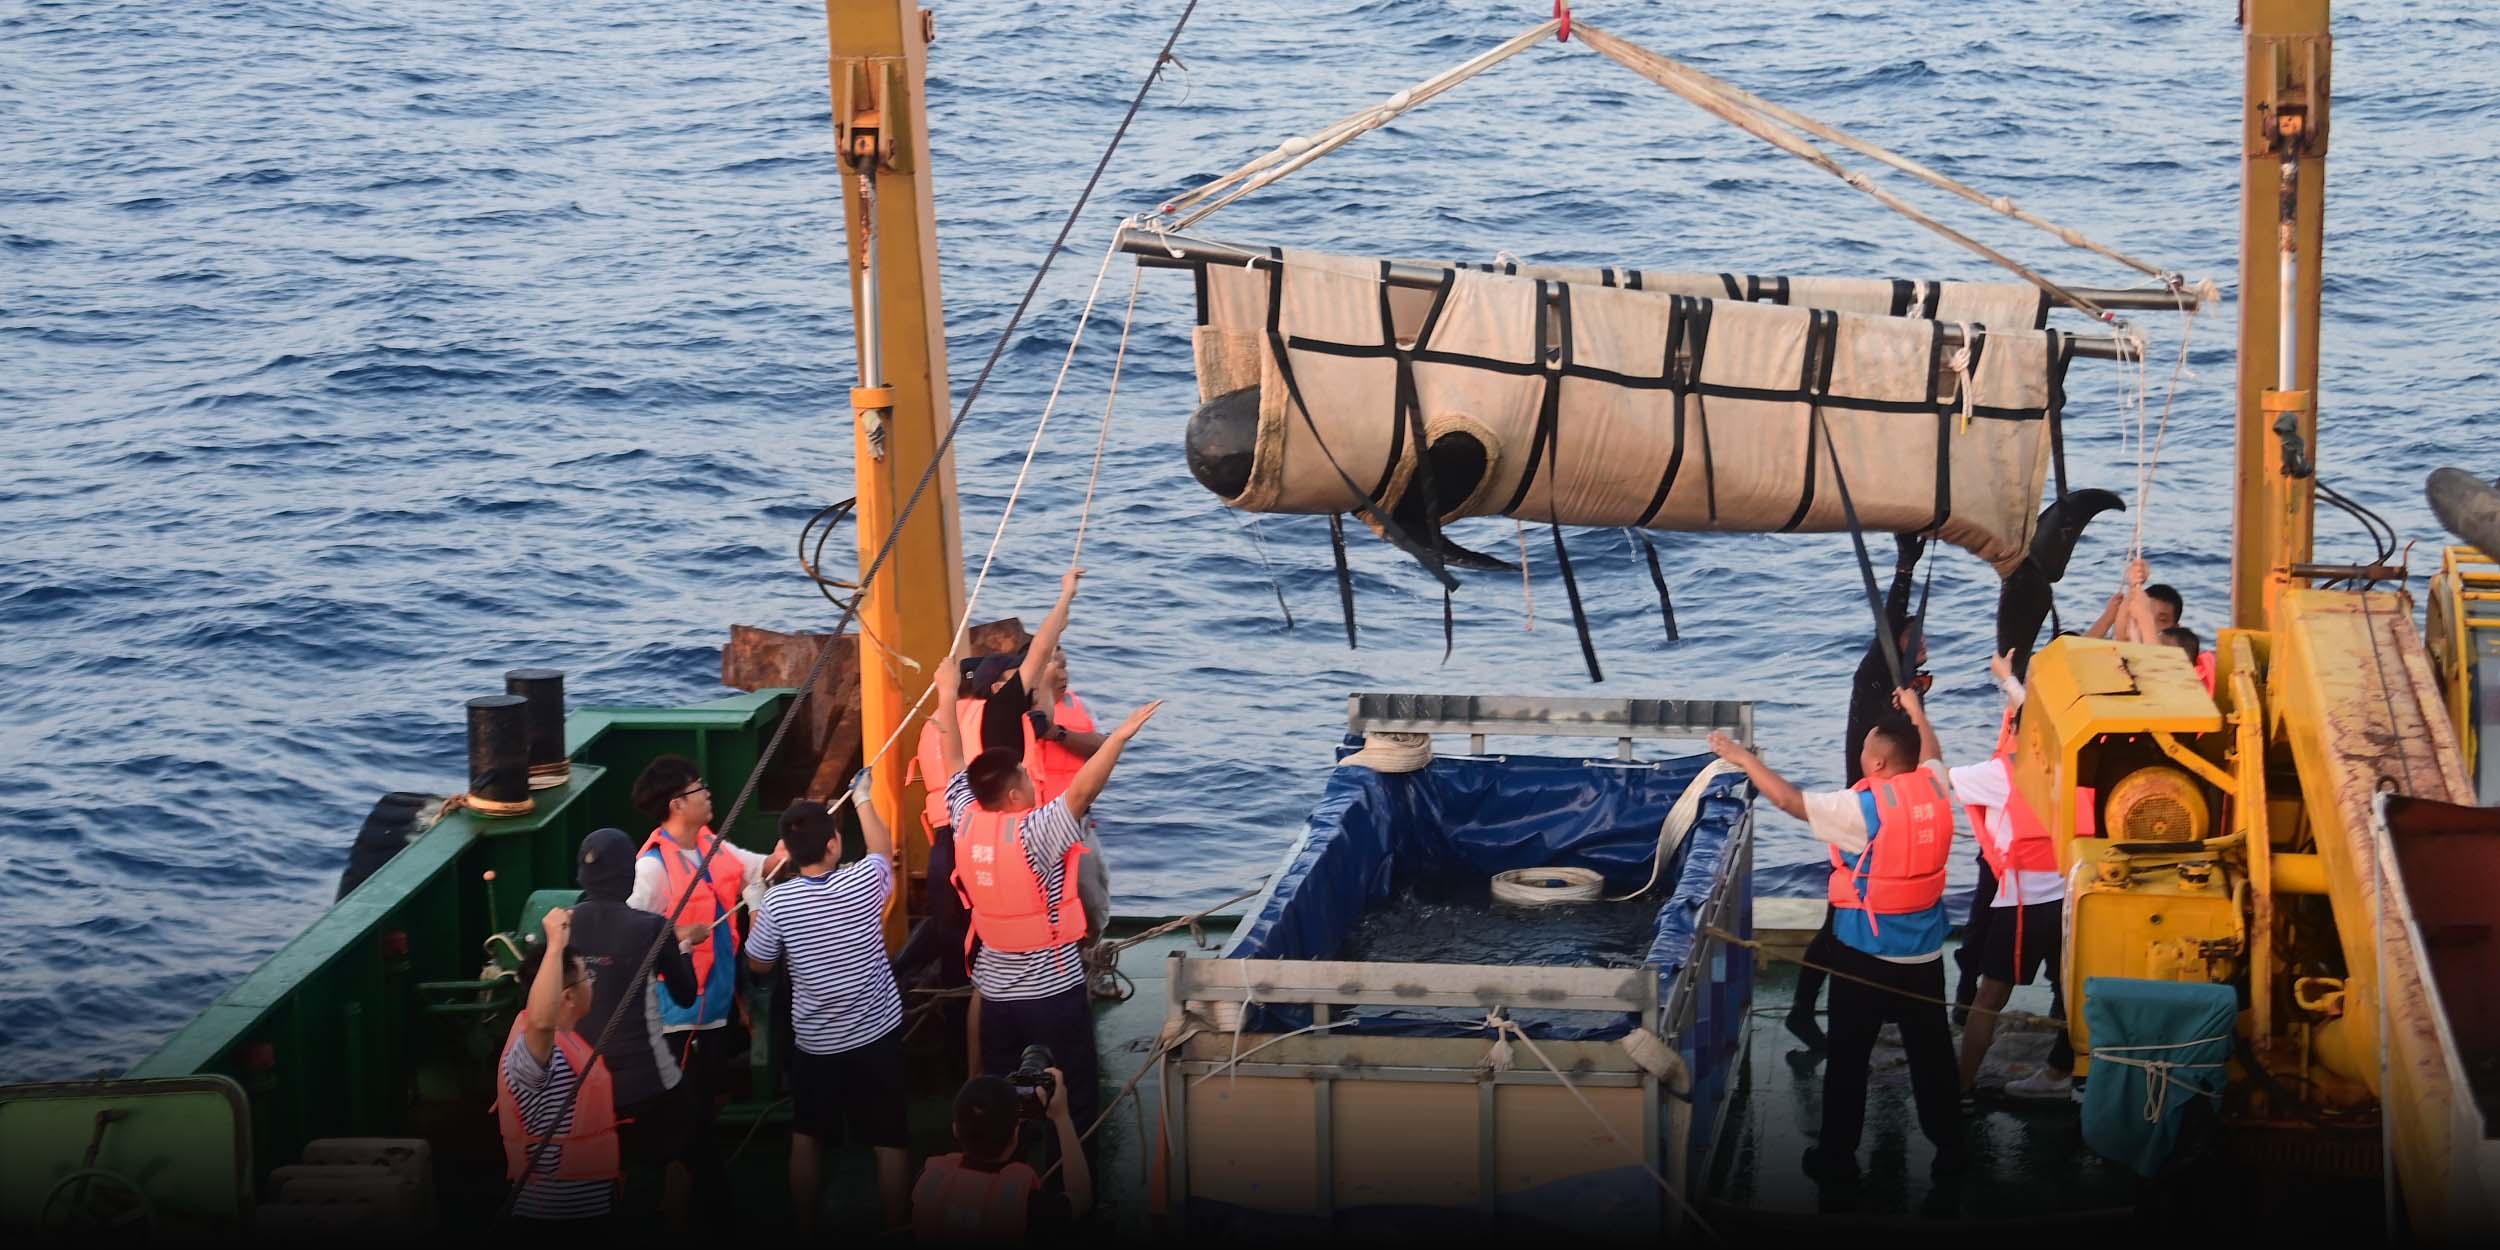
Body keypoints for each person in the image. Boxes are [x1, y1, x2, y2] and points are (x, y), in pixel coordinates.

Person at [1709, 686, 1966, 1182]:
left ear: (1878, 765)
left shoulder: (1859, 810)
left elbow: (1788, 800)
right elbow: (1932, 751)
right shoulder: (1934, 786)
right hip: (1925, 957)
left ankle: (1836, 1157)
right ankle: (1951, 1149)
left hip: (1864, 957)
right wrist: (1917, 711)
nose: (1861, 757)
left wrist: (1740, 756)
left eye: (1867, 751)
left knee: (1848, 1059)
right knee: (1932, 1058)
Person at [935, 583, 1164, 1141]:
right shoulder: (1038, 830)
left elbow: (953, 757)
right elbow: (1082, 793)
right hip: (1052, 991)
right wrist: (1121, 737)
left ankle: (997, 1157)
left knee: (999, 1092)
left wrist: (944, 693)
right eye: (1023, 780)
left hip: (998, 991)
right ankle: (1069, 1176)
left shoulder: (963, 814)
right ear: (1015, 793)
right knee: (1075, 1093)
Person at [746, 777, 910, 1234]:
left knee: (808, 1136)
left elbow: (759, 963)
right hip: (877, 1036)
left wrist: (755, 903)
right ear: (834, 845)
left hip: (818, 1046)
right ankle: (898, 1227)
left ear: (788, 851)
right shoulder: (863, 881)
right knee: (890, 1139)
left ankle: (805, 1226)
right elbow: (882, 850)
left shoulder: (779, 903)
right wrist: (862, 797)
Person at [627, 755, 787, 1212]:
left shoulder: (710, 845)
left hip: (715, 1008)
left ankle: (693, 1201)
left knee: (704, 1109)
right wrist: (676, 935)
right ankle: (701, 1205)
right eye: (700, 788)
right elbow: (636, 930)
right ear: (678, 803)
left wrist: (785, 852)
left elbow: (760, 867)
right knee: (686, 1121)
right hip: (681, 1018)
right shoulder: (653, 869)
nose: (708, 792)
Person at [1791, 536, 1928, 1052]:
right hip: (1864, 822)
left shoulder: (1900, 690)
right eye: (1918, 637)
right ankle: (1803, 1011)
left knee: (1851, 924)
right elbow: (1887, 627)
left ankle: (1829, 1008)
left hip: (1885, 821)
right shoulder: (1875, 675)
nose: (1926, 644)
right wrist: (1905, 569)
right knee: (1837, 927)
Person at [1952, 652, 2076, 1104]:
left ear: (2019, 734)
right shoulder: (2073, 762)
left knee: (1990, 997)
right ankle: (2064, 1074)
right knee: (2074, 994)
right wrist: (2009, 681)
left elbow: (1937, 776)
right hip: (2073, 899)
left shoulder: (2001, 774)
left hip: (2022, 905)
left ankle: (1962, 1085)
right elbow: (2032, 715)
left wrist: (1915, 718)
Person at [565, 827, 700, 1226]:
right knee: (688, 1147)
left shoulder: (562, 928)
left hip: (580, 1081)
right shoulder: (650, 928)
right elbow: (687, 994)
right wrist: (687, 948)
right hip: (647, 1081)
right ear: (628, 875)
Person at [496, 907, 620, 1225]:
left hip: (588, 1209)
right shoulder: (531, 1054)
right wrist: (555, 946)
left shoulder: (572, 1043)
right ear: (566, 996)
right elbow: (540, 1021)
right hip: (552, 1218)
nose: (592, 983)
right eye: (587, 977)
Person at [911, 1071, 1091, 1244]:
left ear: (955, 1130)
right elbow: (1081, 1198)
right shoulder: (1029, 1208)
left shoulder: (926, 1180)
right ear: (1015, 1135)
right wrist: (1062, 1117)